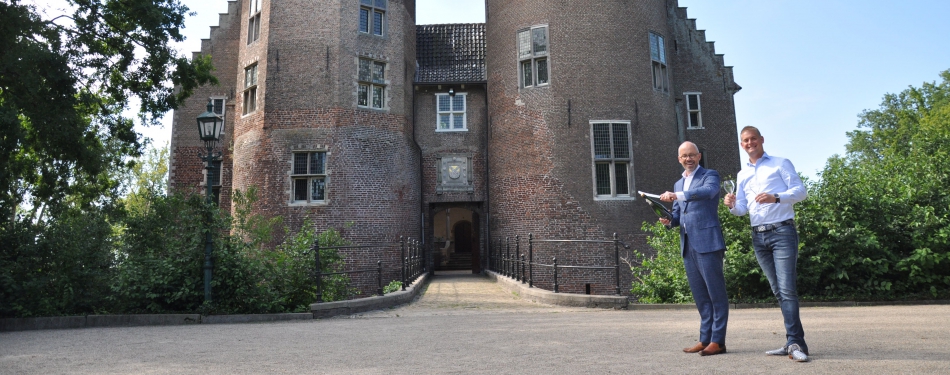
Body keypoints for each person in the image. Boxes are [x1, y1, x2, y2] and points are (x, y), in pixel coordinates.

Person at [723, 126, 810, 362]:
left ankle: (795, 342)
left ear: (761, 140)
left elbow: (801, 192)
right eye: (745, 141)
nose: (749, 143)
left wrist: (776, 197)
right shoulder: (742, 175)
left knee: (787, 290)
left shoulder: (780, 163)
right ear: (741, 145)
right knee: (778, 291)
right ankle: (792, 341)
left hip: (782, 230)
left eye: (753, 139)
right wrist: (731, 205)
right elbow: (742, 210)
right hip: (758, 235)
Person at [658, 141, 729, 356]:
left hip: (708, 242)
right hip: (688, 245)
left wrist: (676, 195)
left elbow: (708, 192)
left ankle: (718, 341)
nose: (688, 159)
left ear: (699, 156)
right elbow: (679, 215)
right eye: (684, 156)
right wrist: (669, 221)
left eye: (692, 155)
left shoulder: (710, 176)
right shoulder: (679, 184)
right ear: (679, 159)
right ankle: (705, 339)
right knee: (701, 296)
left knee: (716, 294)